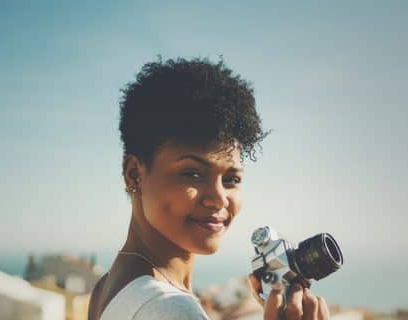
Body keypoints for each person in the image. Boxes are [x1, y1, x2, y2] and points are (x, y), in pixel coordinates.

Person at [87, 58, 331, 320]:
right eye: (192, 173)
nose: (218, 199)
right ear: (134, 174)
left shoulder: (108, 286)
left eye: (231, 180)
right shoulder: (171, 308)